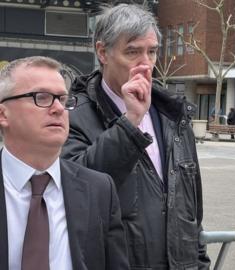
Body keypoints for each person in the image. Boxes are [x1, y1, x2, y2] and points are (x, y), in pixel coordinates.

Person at [61, 4, 210, 270]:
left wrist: (199, 262)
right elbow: (78, 190)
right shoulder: (74, 115)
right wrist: (130, 122)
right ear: (102, 52)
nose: (145, 64)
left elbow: (191, 205)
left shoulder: (172, 114)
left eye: (151, 52)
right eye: (132, 52)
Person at [0, 56, 128, 269]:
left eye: (63, 99)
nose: (58, 108)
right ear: (3, 114)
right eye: (41, 97)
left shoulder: (99, 190)